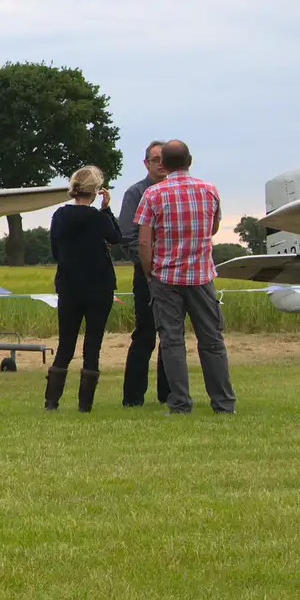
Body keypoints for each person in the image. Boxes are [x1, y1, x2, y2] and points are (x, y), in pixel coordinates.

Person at [134, 140, 236, 414]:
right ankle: (223, 402)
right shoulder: (209, 190)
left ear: (164, 164)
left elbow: (144, 242)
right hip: (201, 277)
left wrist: (149, 272)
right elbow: (213, 227)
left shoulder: (153, 195)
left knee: (172, 341)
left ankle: (179, 402)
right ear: (190, 160)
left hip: (166, 278)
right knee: (212, 340)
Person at [44, 166, 122, 412]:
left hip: (69, 285)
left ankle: (51, 401)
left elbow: (56, 250)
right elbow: (116, 237)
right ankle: (84, 404)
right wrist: (106, 209)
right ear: (96, 191)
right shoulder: (98, 218)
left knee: (66, 343)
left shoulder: (59, 216)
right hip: (99, 286)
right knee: (92, 344)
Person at [117, 141, 170, 406]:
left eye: (165, 159)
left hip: (175, 274)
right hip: (147, 274)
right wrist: (151, 264)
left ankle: (169, 394)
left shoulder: (177, 192)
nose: (160, 163)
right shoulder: (135, 194)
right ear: (146, 163)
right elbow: (127, 238)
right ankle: (133, 398)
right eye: (155, 159)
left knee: (172, 336)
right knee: (145, 334)